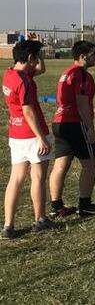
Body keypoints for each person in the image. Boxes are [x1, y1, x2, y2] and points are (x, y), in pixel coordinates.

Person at [48, 40, 95, 218]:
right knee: (91, 163)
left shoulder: (67, 72)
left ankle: (56, 206)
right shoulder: (81, 75)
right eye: (92, 54)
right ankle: (85, 204)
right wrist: (90, 128)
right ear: (83, 57)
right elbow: (81, 103)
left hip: (59, 122)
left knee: (61, 163)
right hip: (75, 123)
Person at [1, 40, 55, 238]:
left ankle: (8, 226)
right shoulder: (23, 81)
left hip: (15, 135)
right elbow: (28, 111)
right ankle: (40, 219)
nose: (38, 62)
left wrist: (34, 52)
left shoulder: (10, 74)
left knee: (15, 179)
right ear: (30, 58)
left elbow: (40, 69)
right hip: (32, 135)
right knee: (38, 177)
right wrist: (41, 137)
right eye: (36, 57)